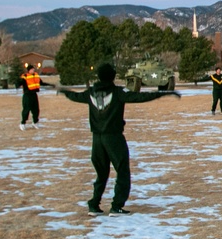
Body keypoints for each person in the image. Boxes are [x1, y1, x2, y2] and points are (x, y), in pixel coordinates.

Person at [60, 63, 181, 215]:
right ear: (112, 76)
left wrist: (64, 91)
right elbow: (139, 97)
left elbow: (75, 96)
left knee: (101, 174)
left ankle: (94, 204)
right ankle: (116, 206)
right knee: (122, 171)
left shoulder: (91, 92)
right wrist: (163, 93)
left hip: (97, 139)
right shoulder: (117, 92)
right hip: (114, 137)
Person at [19, 65, 53, 130]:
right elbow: (20, 83)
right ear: (28, 70)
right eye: (31, 69)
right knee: (26, 110)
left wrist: (50, 85)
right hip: (27, 95)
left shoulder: (36, 75)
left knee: (36, 110)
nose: (33, 70)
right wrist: (18, 83)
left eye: (33, 69)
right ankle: (22, 123)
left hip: (34, 95)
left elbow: (41, 83)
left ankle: (35, 122)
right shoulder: (25, 77)